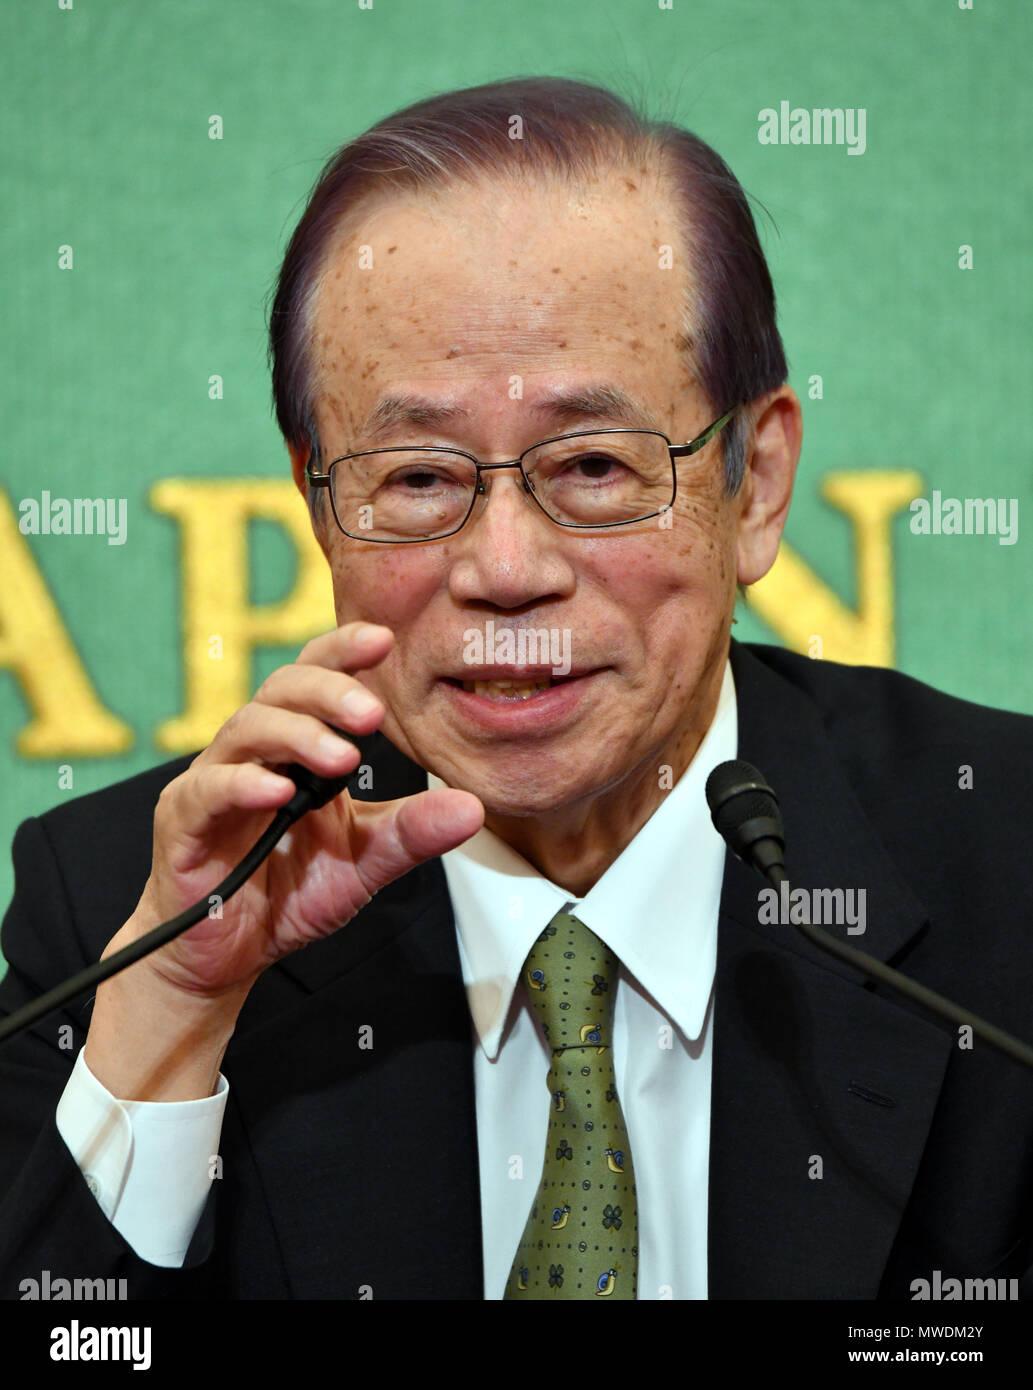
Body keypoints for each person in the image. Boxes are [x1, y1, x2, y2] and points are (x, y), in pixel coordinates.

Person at [2, 76, 1032, 1302]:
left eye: (593, 464)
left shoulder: (1006, 865)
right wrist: (171, 1019)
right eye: (420, 478)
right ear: (320, 504)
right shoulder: (136, 909)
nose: (503, 570)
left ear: (753, 485)